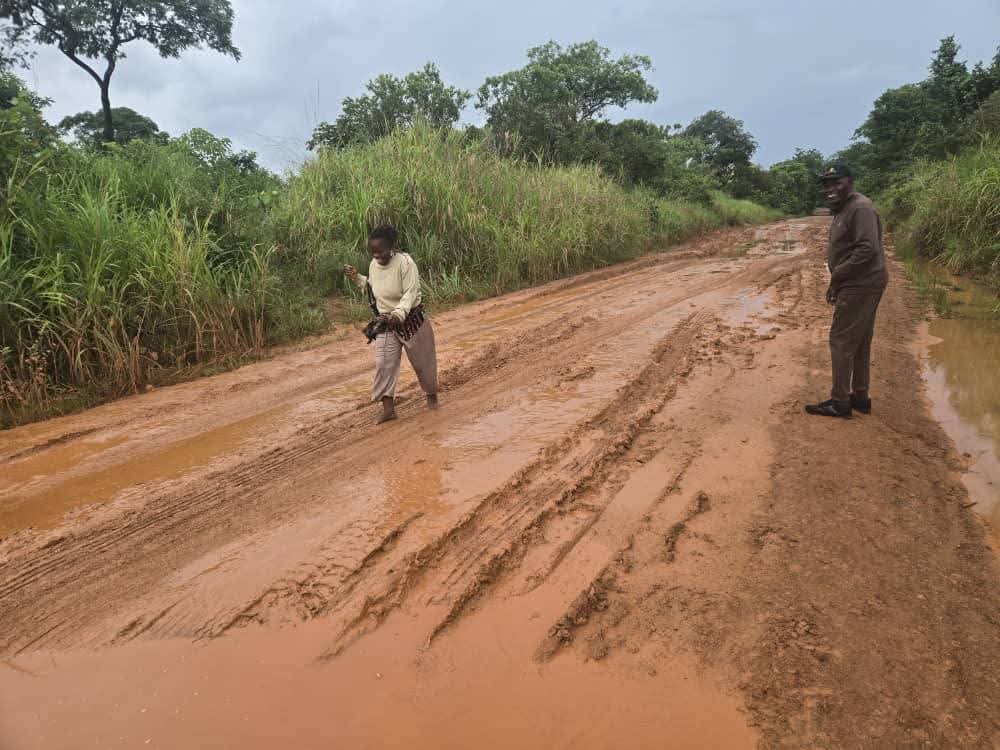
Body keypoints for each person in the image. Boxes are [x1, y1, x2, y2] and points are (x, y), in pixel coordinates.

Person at [805, 165, 889, 419]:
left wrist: (838, 275)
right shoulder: (845, 208)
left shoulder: (860, 208)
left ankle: (840, 401)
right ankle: (860, 397)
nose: (830, 188)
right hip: (859, 282)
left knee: (841, 340)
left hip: (861, 283)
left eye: (836, 182)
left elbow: (867, 248)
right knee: (859, 341)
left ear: (850, 182)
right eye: (826, 184)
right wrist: (837, 281)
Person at [344, 224, 439, 423]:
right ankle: (388, 410)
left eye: (380, 251)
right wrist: (357, 278)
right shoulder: (374, 264)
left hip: (411, 320)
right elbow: (374, 287)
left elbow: (410, 293)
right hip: (386, 322)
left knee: (424, 364)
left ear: (391, 247)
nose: (376, 255)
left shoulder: (406, 263)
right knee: (384, 364)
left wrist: (398, 314)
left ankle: (432, 397)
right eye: (373, 251)